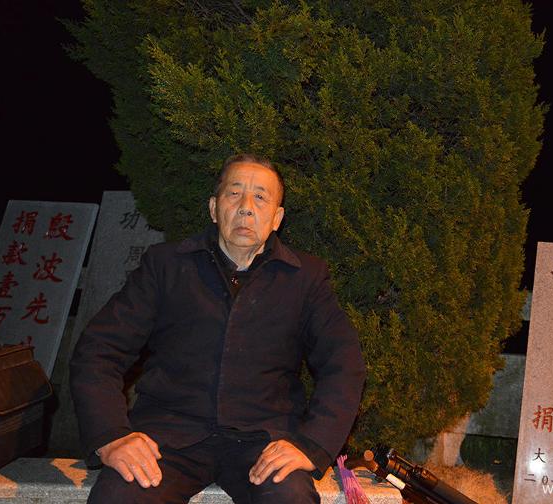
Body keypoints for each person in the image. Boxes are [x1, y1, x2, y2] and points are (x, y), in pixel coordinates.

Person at [70, 153, 366, 503]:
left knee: (290, 497)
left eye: (261, 197)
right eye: (234, 193)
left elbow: (344, 364)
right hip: (167, 436)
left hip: (264, 441)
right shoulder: (166, 266)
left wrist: (312, 444)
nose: (246, 208)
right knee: (119, 495)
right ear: (213, 208)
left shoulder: (305, 278)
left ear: (277, 218)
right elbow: (99, 350)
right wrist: (111, 435)